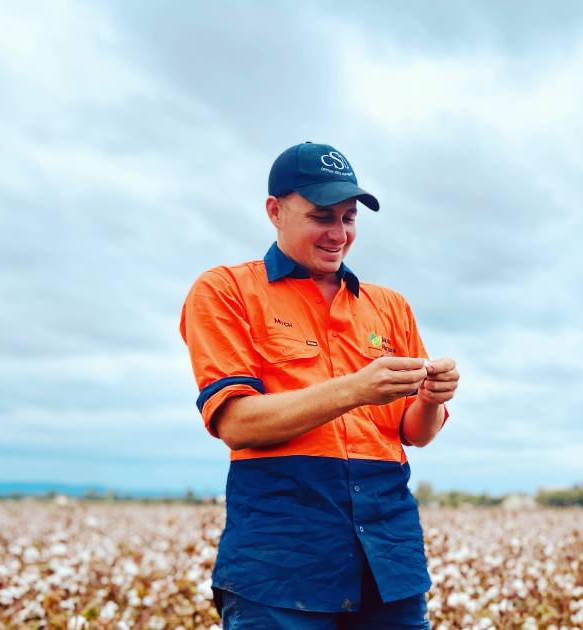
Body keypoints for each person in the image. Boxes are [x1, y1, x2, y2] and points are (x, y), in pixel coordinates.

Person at [180, 141, 458, 628]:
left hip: (389, 559)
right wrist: (356, 389)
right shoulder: (225, 290)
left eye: (349, 219)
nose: (339, 233)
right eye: (322, 216)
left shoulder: (390, 306)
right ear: (275, 211)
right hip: (280, 567)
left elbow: (414, 433)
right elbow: (237, 423)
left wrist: (432, 400)